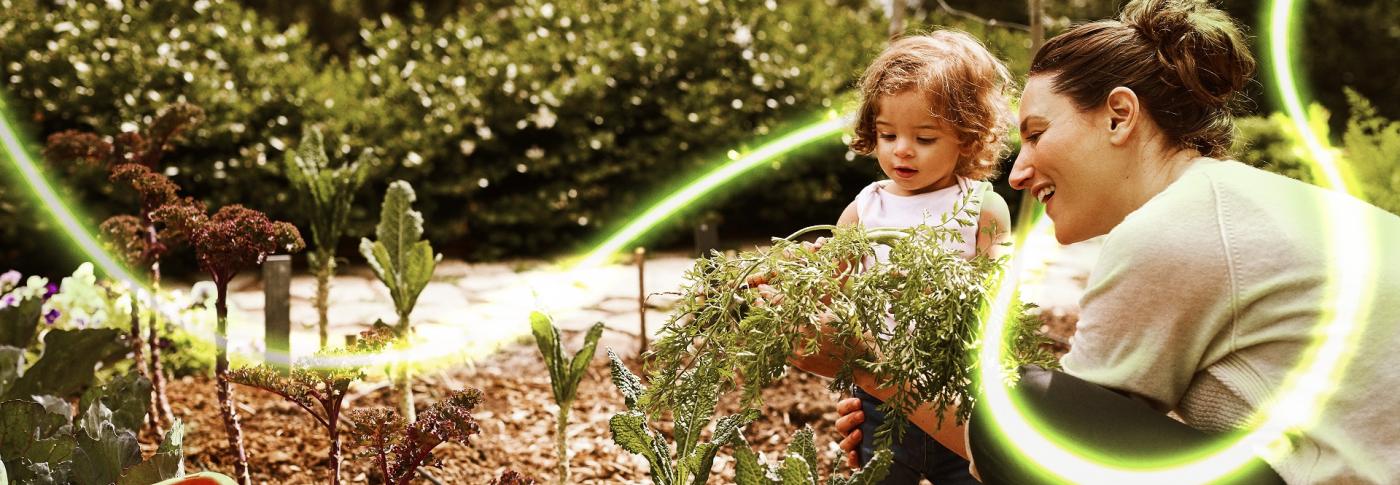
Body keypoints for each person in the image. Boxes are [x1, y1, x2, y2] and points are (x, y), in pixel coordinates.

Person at [831, 0, 1400, 483]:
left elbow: (1042, 448)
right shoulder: (1232, 199)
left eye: (1036, 135)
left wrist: (863, 364)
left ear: (1119, 117)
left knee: (1027, 402)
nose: (1018, 173)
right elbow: (1117, 427)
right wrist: (905, 417)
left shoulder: (1176, 230)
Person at [792, 31, 1014, 485]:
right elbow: (835, 292)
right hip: (881, 394)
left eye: (925, 137)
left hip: (961, 393)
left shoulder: (981, 207)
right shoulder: (865, 208)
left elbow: (1002, 295)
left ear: (968, 139)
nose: (901, 149)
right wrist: (810, 273)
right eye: (887, 134)